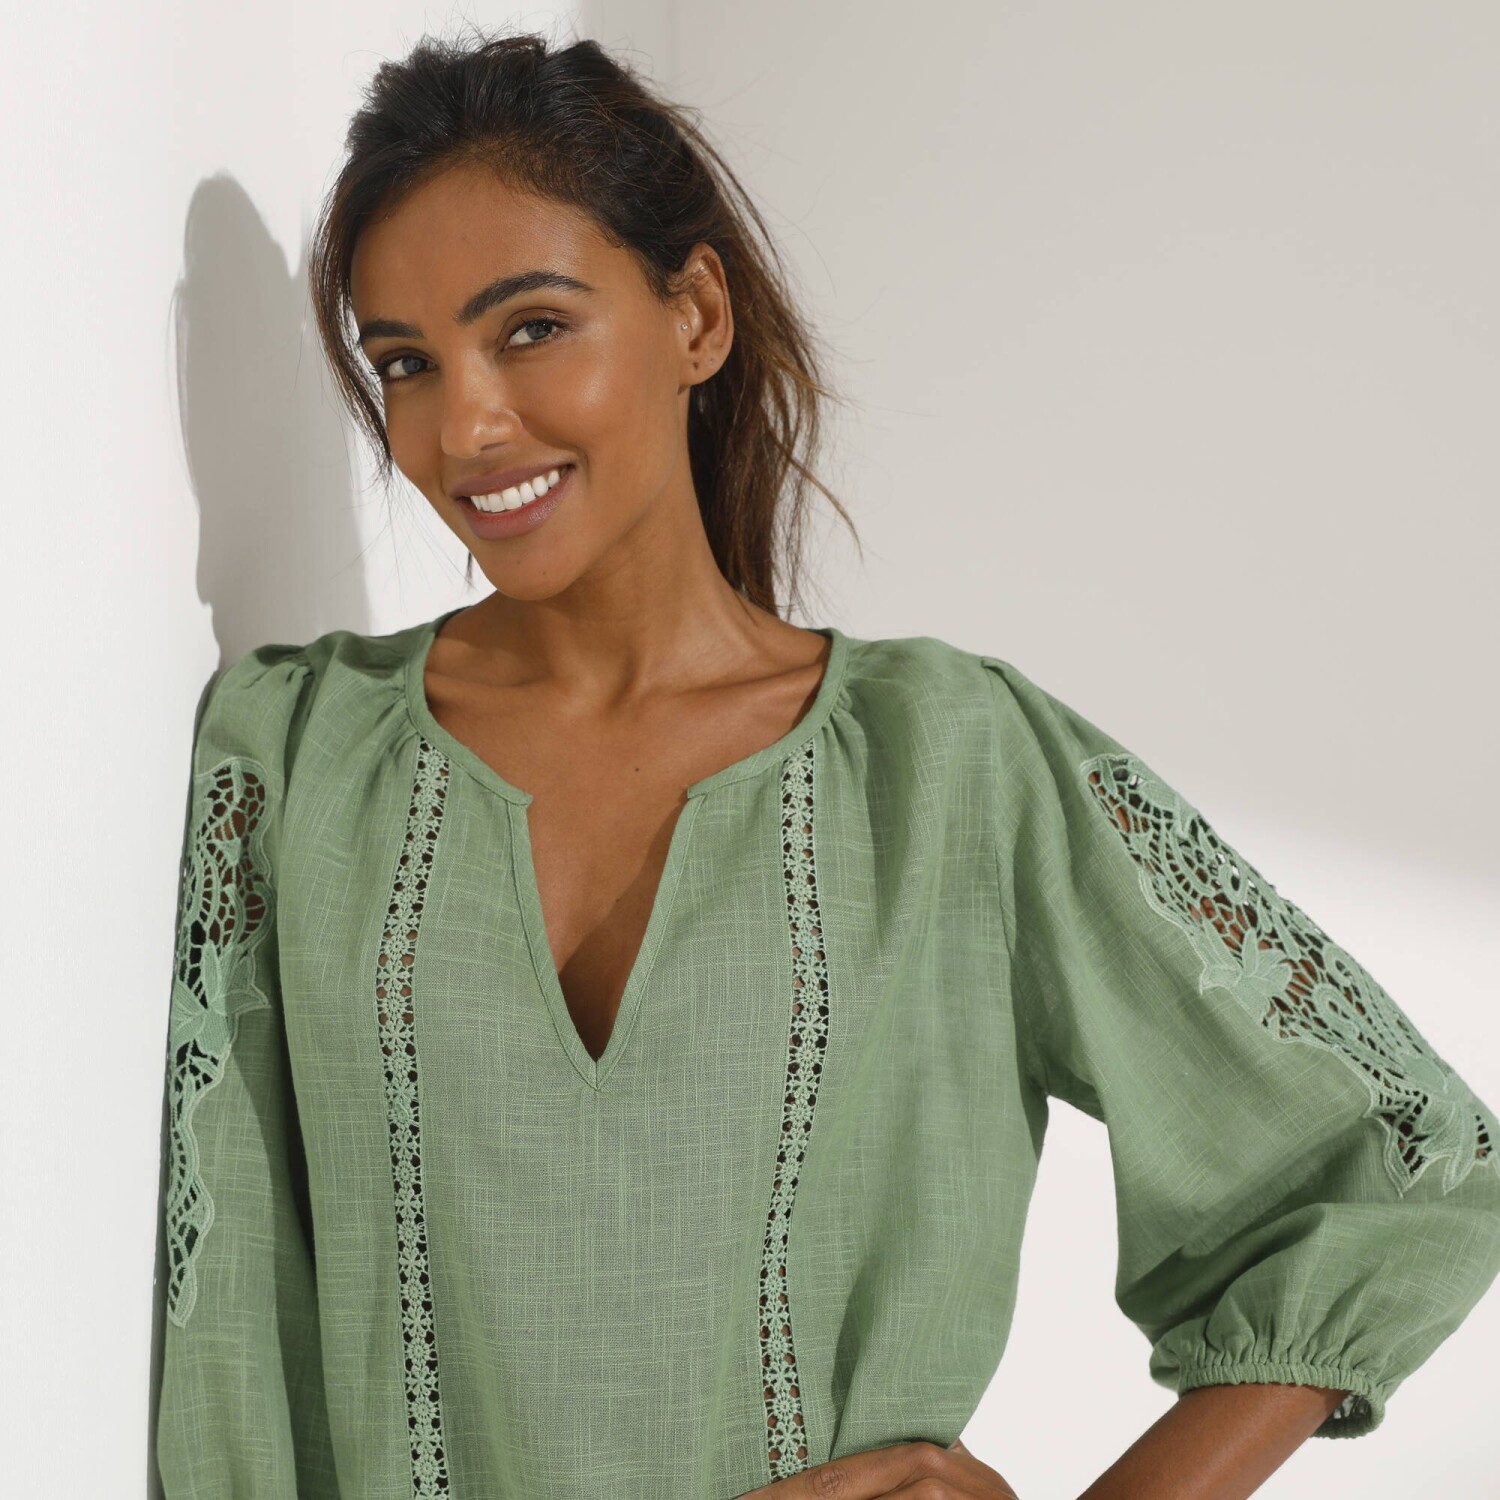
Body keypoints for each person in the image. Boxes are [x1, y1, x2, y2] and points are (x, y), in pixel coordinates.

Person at [154, 28, 1500, 1500]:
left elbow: (1404, 1165)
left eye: (530, 328)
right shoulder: (293, 760)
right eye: (406, 364)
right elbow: (228, 1369)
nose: (463, 425)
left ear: (695, 316)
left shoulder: (948, 765)